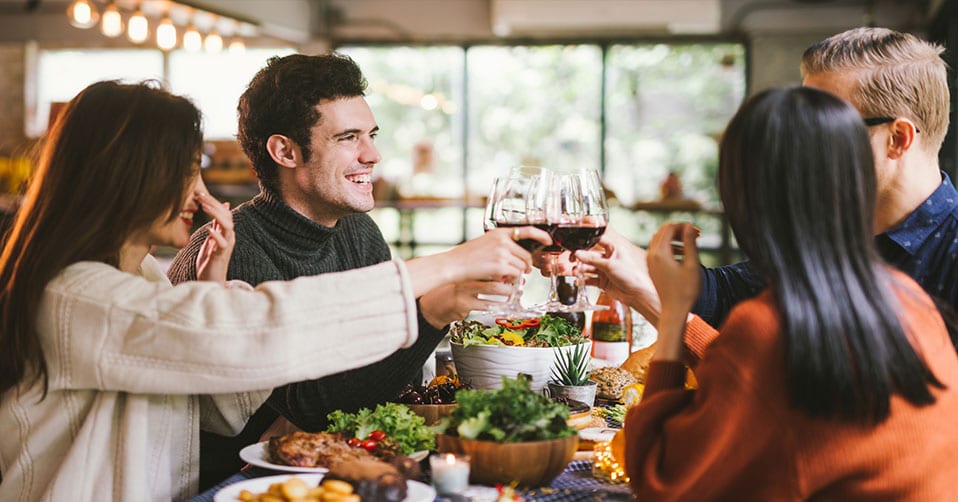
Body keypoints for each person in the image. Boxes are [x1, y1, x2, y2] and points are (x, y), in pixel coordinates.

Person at [0, 80, 543, 501]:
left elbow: (222, 411)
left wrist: (211, 294)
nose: (201, 192)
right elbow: (262, 334)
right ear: (131, 179)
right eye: (188, 173)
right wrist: (442, 269)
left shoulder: (134, 280)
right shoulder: (72, 295)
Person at [165, 53, 524, 487]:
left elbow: (387, 383)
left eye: (371, 134)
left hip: (340, 471)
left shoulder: (359, 231)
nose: (373, 154)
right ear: (285, 151)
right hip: (243, 487)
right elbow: (312, 410)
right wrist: (430, 314)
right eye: (348, 137)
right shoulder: (228, 249)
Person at [601, 86, 958, 498]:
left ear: (745, 197)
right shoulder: (912, 301)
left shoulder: (771, 327)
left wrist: (674, 317)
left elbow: (659, 478)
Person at [578, 27, 957, 336]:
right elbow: (730, 296)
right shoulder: (829, 224)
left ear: (898, 139)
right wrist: (623, 256)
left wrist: (659, 306)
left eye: (822, 127)